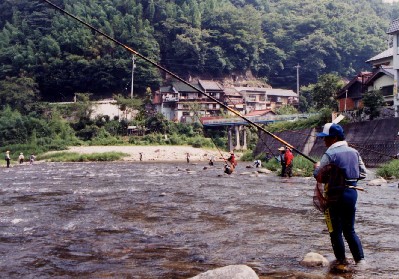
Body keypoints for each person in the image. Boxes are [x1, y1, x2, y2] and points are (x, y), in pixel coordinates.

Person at [313, 122, 367, 268]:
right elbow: (363, 173)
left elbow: (318, 175)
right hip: (351, 194)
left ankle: (341, 261)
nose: (324, 141)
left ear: (335, 138)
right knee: (349, 229)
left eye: (326, 138)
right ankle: (361, 262)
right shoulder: (354, 152)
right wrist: (348, 177)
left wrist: (317, 167)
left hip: (334, 196)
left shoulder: (330, 153)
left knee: (335, 230)